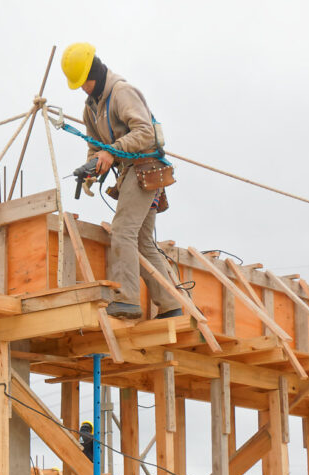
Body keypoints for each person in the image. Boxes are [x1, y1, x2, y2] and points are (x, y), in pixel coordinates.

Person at [61, 42, 184, 321]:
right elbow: (96, 145)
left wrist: (110, 151)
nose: (82, 88)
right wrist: (93, 167)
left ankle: (128, 299)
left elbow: (145, 134)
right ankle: (171, 304)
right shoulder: (90, 108)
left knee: (122, 231)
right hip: (131, 170)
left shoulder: (121, 93)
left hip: (146, 167)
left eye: (84, 82)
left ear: (96, 73)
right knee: (142, 240)